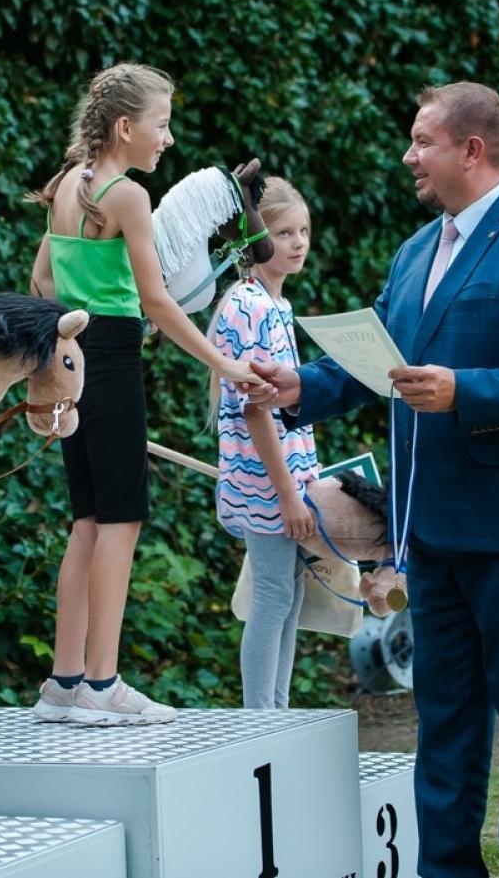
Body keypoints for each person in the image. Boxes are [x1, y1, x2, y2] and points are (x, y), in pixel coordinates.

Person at [256, 82, 499, 878]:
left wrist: (467, 391)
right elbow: (379, 357)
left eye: (423, 141)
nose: (409, 156)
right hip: (436, 527)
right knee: (445, 718)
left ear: (472, 150)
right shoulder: (416, 249)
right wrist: (299, 385)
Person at [26, 62, 265, 726]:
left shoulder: (66, 186)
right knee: (121, 519)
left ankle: (63, 682)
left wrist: (79, 328)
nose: (169, 138)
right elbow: (157, 301)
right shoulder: (127, 196)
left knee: (87, 519)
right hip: (112, 362)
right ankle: (102, 684)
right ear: (127, 127)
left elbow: (42, 281)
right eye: (162, 124)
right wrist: (227, 364)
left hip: (74, 356)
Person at [208, 178, 319, 709]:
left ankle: (277, 712)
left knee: (289, 596)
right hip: (266, 485)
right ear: (255, 240)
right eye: (284, 232)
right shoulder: (247, 305)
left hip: (288, 480)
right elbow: (256, 411)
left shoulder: (278, 304)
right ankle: (260, 720)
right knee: (273, 595)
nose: (298, 243)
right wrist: (288, 495)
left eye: (304, 231)